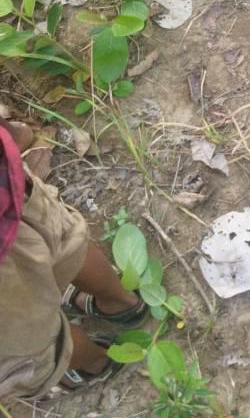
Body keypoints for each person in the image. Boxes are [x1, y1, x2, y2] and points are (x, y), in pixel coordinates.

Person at [0, 117, 146, 400]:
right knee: (65, 239)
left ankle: (96, 362)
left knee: (29, 345)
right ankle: (122, 302)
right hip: (8, 188)